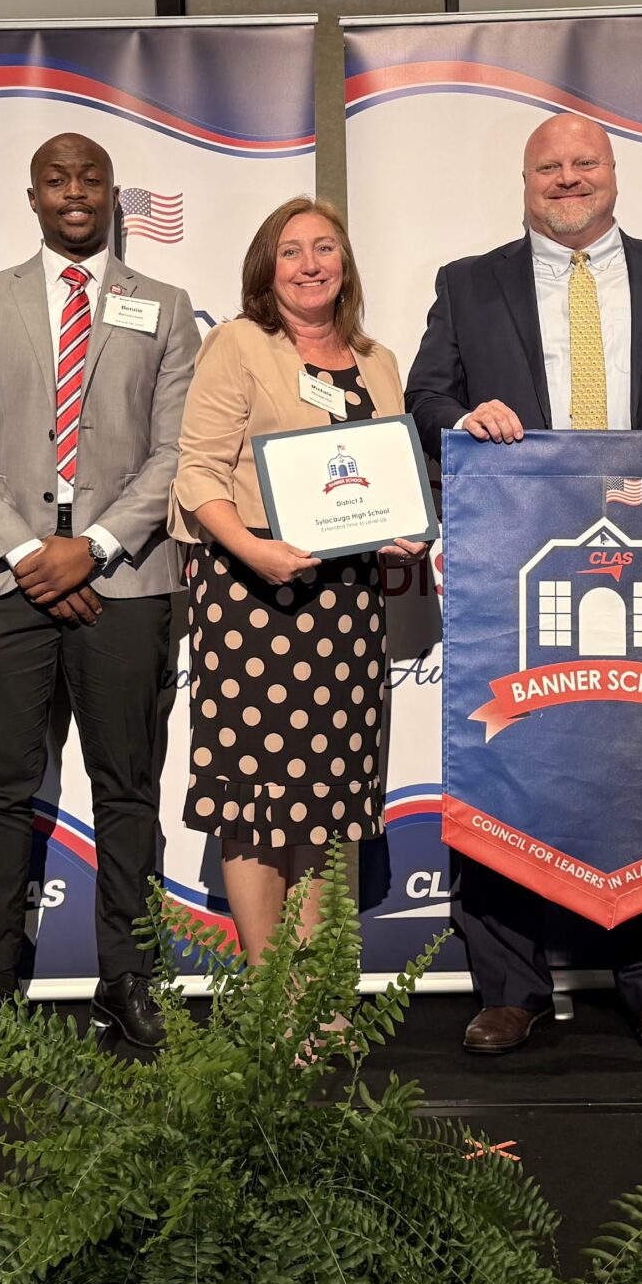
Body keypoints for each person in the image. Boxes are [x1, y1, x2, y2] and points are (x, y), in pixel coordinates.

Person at [405, 110, 642, 1060]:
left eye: (584, 165)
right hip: (516, 567)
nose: (568, 180)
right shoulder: (468, 282)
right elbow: (423, 397)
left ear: (613, 175)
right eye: (549, 169)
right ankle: (510, 988)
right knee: (509, 757)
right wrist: (464, 411)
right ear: (526, 184)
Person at [0, 132, 199, 1046]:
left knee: (127, 787)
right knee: (4, 785)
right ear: (33, 195)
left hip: (126, 585)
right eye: (57, 178)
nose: (74, 192)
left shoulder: (165, 307)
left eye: (90, 178)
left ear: (113, 195)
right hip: (6, 588)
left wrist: (96, 546)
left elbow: (176, 452)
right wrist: (26, 554)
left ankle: (129, 981)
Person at [172, 199, 426, 965]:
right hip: (254, 601)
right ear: (266, 267)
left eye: (325, 248)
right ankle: (266, 992)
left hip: (347, 610)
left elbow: (383, 474)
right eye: (291, 251)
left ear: (345, 263)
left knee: (332, 800)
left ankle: (313, 990)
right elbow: (196, 473)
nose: (310, 264)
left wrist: (400, 533)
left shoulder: (377, 358)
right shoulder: (239, 344)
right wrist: (254, 550)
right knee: (254, 803)